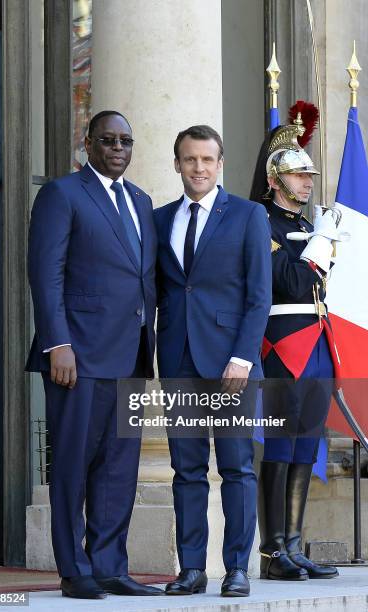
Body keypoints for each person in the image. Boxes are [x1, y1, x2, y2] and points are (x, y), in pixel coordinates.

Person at [26, 111, 163, 599]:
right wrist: (56, 343)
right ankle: (75, 569)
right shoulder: (62, 195)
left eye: (126, 140)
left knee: (119, 468)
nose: (118, 148)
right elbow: (46, 275)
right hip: (77, 356)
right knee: (73, 463)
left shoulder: (142, 200)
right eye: (108, 140)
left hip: (130, 356)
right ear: (88, 143)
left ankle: (109, 565)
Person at [154, 125, 272, 597]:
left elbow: (259, 296)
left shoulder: (248, 216)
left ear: (220, 163)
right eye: (189, 160)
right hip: (179, 357)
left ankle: (238, 568)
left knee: (237, 467)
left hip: (231, 365)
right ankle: (192, 569)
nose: (198, 168)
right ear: (177, 164)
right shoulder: (161, 220)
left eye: (207, 159)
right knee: (187, 469)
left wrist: (243, 357)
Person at [249, 109, 340, 580]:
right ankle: (270, 552)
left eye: (308, 174)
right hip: (283, 345)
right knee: (282, 445)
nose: (307, 182)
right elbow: (289, 280)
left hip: (318, 343)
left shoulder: (305, 224)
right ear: (274, 178)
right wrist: (322, 242)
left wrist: (318, 239)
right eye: (297, 173)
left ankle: (293, 544)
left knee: (308, 443)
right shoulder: (262, 224)